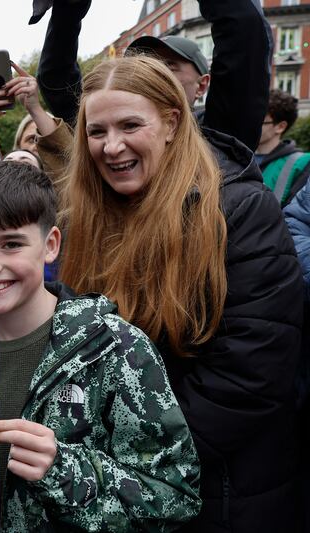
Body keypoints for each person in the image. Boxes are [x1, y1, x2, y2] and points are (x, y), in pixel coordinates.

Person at [58, 56, 303, 532]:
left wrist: (135, 452)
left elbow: (250, 373)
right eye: (96, 131)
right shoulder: (80, 219)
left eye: (131, 125)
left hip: (220, 491)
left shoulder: (238, 209)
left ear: (171, 122)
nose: (112, 147)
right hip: (119, 487)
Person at [0, 161, 200, 532]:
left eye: (10, 244)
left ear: (50, 245)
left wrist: (63, 469)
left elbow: (175, 498)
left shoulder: (116, 349)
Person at [36, 0, 271, 152]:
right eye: (145, 64)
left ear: (202, 85)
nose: (155, 73)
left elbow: (245, 30)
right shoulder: (108, 131)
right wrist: (69, 8)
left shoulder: (221, 138)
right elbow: (57, 79)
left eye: (171, 65)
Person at [256, 89, 310, 207]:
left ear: (280, 127)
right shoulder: (239, 156)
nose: (250, 125)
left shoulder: (302, 164)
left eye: (258, 121)